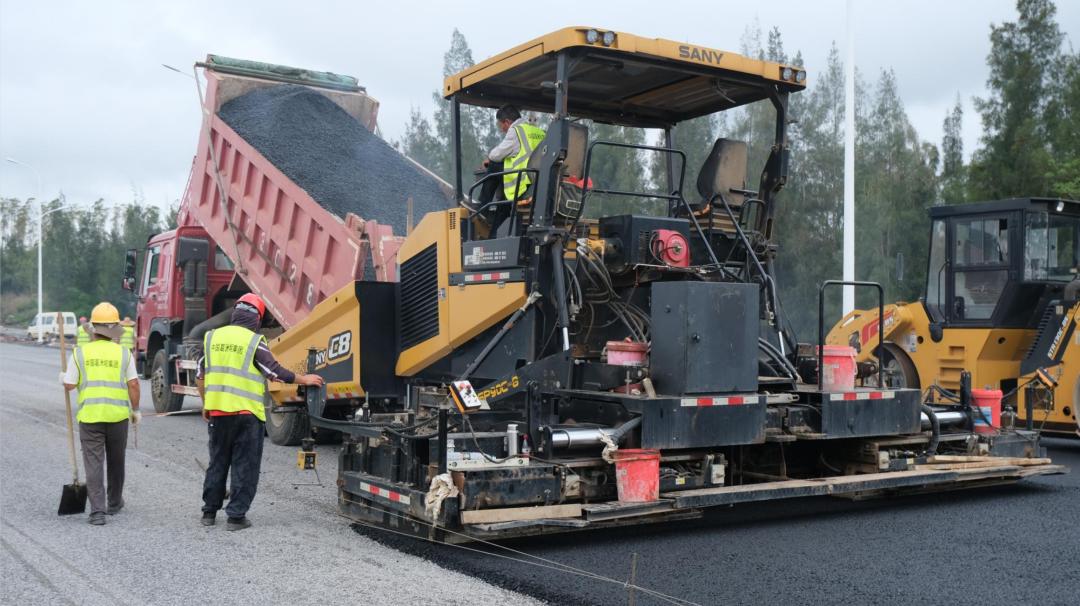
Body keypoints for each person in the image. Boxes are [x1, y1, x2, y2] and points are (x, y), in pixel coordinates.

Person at [195, 293, 323, 531]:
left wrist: (206, 404)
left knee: (218, 462)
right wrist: (305, 379)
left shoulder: (211, 337)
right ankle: (235, 518)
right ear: (257, 319)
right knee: (245, 465)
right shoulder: (254, 341)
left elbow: (200, 377)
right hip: (247, 415)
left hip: (218, 414)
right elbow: (275, 372)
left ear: (235, 314)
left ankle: (209, 513)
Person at [62, 302, 140, 526]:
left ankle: (97, 512)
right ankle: (114, 503)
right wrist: (135, 410)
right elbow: (134, 384)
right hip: (118, 417)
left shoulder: (80, 353)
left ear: (93, 329)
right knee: (117, 460)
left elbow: (69, 385)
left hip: (90, 417)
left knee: (93, 463)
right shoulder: (124, 353)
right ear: (114, 329)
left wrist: (63, 377)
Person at [480, 105, 546, 232]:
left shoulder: (516, 131)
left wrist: (488, 159)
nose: (502, 130)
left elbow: (496, 155)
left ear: (507, 122)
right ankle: (492, 233)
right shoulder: (539, 132)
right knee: (504, 201)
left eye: (501, 126)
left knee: (493, 164)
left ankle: (482, 207)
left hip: (523, 180)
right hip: (538, 180)